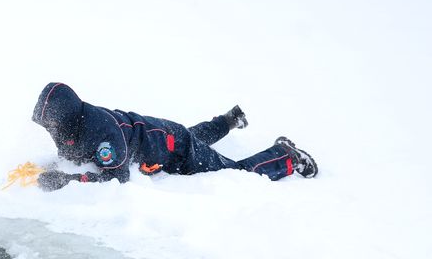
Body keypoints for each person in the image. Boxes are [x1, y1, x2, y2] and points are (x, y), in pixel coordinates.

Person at [33, 82, 318, 191]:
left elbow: (117, 178)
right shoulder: (70, 127)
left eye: (52, 124)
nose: (51, 130)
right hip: (159, 134)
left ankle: (286, 156)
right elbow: (75, 155)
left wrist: (69, 180)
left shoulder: (102, 132)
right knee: (193, 137)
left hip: (172, 148)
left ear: (66, 116)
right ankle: (228, 121)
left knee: (234, 171)